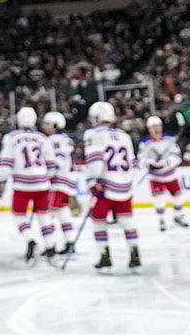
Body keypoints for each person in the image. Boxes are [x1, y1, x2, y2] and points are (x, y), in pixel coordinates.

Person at [84, 102, 141, 273]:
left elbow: (95, 160)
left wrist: (94, 180)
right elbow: (132, 162)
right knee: (127, 220)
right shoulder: (124, 135)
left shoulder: (93, 133)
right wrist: (127, 181)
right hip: (124, 184)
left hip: (105, 185)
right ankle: (135, 254)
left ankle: (105, 256)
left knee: (98, 221)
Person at [0, 107, 59, 262]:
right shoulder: (43, 138)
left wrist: (1, 180)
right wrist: (47, 178)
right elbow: (52, 164)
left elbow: (6, 162)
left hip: (22, 185)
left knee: (19, 216)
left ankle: (30, 240)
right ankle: (50, 246)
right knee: (44, 216)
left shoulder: (11, 138)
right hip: (42, 184)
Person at [137, 115, 188, 231]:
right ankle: (161, 219)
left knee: (178, 197)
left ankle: (178, 216)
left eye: (158, 126)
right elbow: (140, 159)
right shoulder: (145, 143)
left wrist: (166, 162)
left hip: (171, 174)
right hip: (156, 177)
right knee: (159, 199)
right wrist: (148, 162)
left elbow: (177, 156)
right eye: (153, 127)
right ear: (149, 128)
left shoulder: (170, 139)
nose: (156, 129)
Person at [41, 111, 78, 253]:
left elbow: (58, 160)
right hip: (67, 181)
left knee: (46, 213)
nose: (45, 126)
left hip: (57, 182)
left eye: (48, 124)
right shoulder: (65, 138)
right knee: (63, 212)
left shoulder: (54, 139)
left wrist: (49, 175)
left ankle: (50, 245)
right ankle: (70, 243)